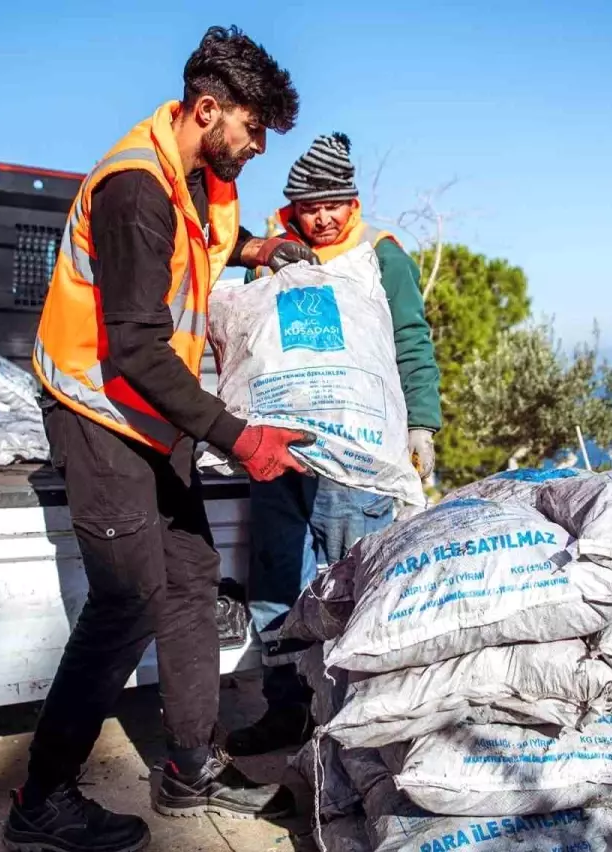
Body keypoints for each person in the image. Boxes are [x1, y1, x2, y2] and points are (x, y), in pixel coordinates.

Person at [3, 26, 321, 852]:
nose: (254, 150)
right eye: (252, 131)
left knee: (190, 577)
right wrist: (238, 436)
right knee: (127, 599)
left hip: (152, 416)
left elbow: (210, 251)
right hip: (97, 411)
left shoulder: (199, 183)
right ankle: (41, 799)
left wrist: (265, 249)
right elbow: (137, 344)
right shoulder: (136, 189)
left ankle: (187, 766)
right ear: (207, 109)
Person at [225, 132, 442, 757]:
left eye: (333, 205)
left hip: (355, 461)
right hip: (279, 452)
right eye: (308, 206)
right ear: (293, 207)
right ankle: (286, 710)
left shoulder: (382, 257)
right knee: (277, 586)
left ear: (353, 203)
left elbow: (410, 340)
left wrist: (419, 424)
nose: (321, 218)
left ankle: (355, 724)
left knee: (354, 586)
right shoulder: (270, 253)